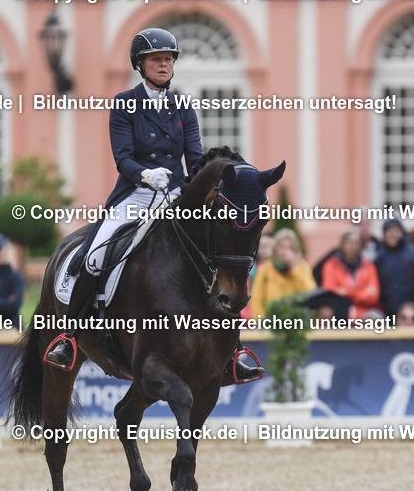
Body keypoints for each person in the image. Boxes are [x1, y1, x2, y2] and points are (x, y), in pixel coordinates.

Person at [43, 29, 262, 384]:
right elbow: (122, 158)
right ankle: (69, 337)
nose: (164, 65)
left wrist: (195, 186)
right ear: (141, 65)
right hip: (135, 194)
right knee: (95, 255)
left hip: (175, 195)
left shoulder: (183, 107)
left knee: (214, 257)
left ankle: (233, 352)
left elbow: (196, 159)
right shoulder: (124, 104)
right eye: (156, 59)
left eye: (168, 59)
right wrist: (145, 174)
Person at [248, 228, 316, 319]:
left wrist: (294, 270)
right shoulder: (265, 269)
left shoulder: (302, 267)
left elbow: (311, 294)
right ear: (275, 248)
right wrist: (260, 319)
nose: (285, 251)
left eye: (290, 248)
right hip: (270, 319)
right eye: (282, 246)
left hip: (296, 319)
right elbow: (256, 300)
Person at [320, 228, 381, 319]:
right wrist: (361, 293)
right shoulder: (331, 265)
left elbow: (373, 296)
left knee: (375, 318)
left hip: (363, 313)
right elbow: (329, 289)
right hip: (338, 309)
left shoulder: (369, 266)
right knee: (325, 313)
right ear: (342, 244)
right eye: (349, 242)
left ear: (361, 246)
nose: (353, 246)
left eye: (356, 243)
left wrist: (347, 293)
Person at [374, 218, 414, 318]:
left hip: (411, 312)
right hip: (386, 310)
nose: (392, 235)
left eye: (395, 231)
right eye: (389, 231)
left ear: (402, 232)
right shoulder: (380, 257)